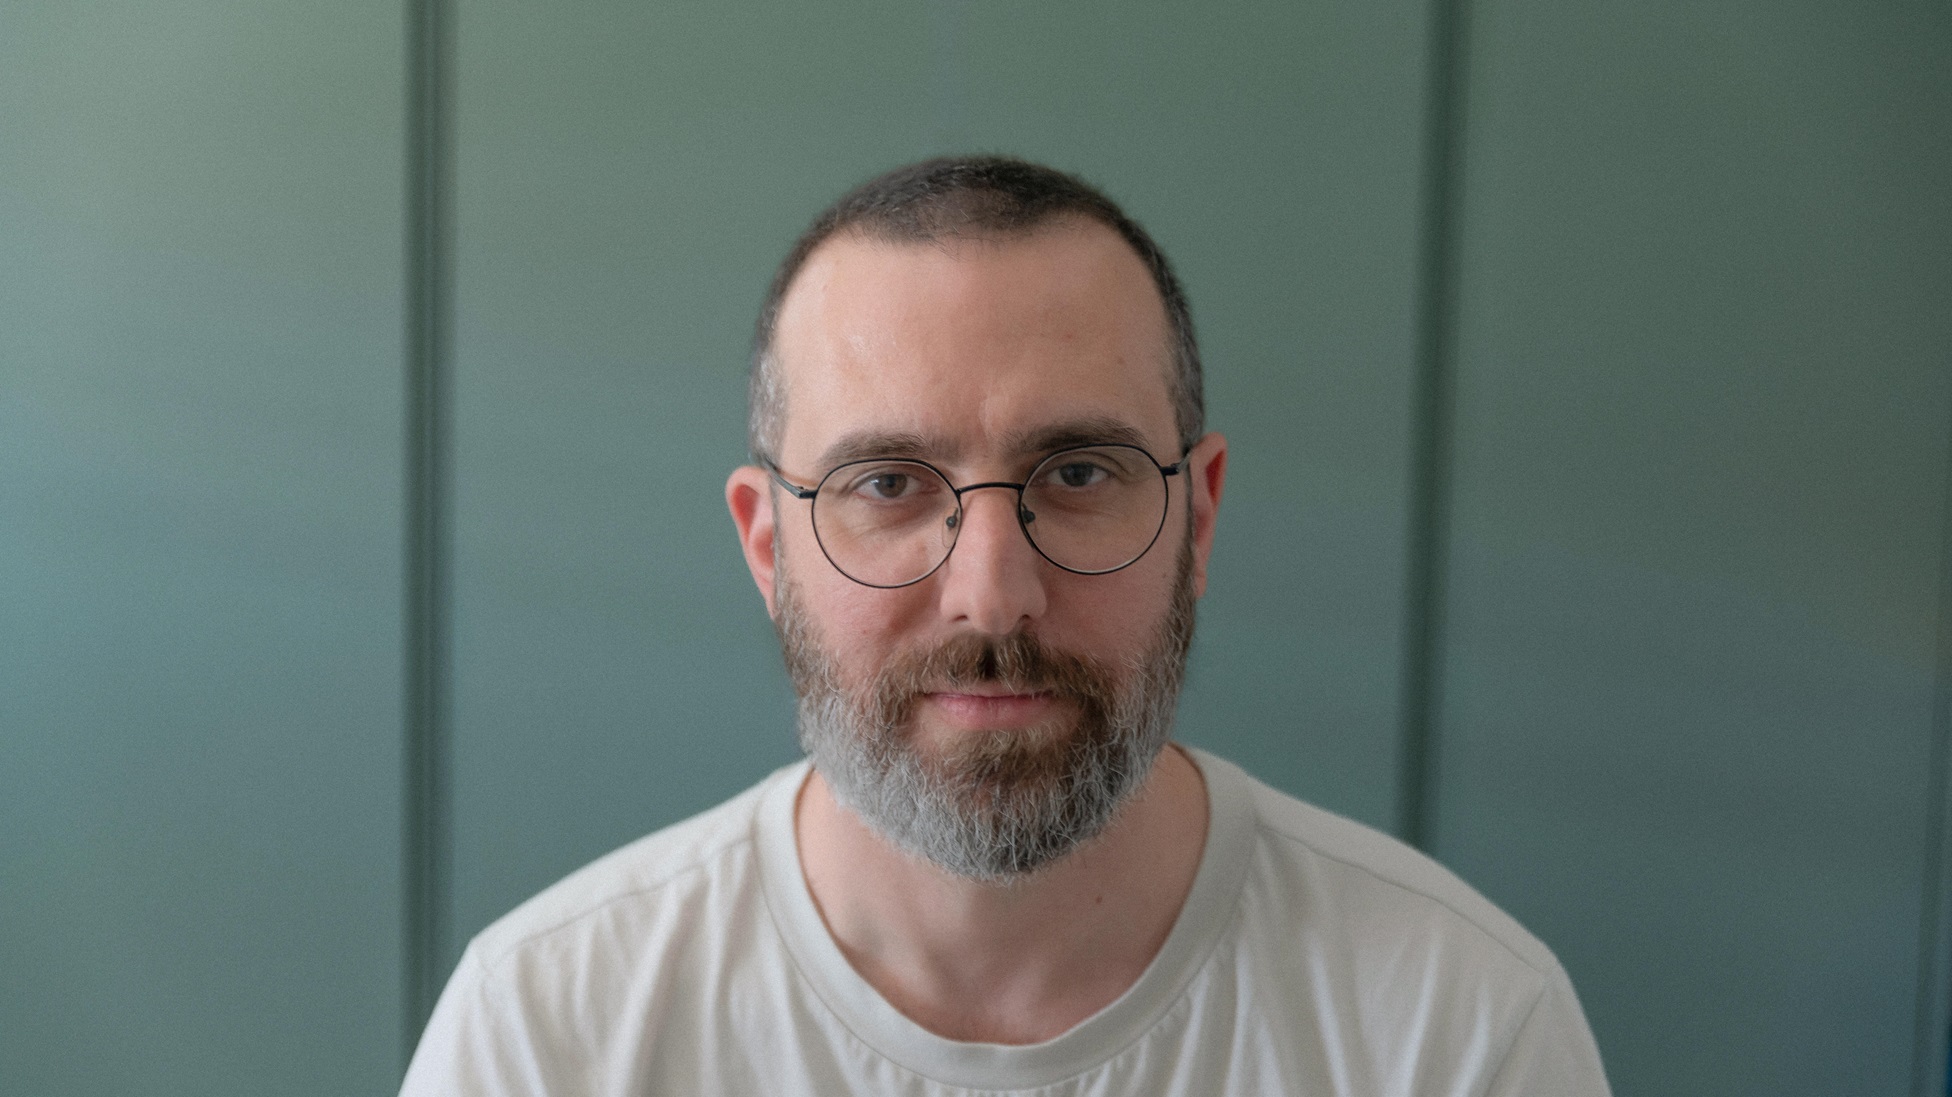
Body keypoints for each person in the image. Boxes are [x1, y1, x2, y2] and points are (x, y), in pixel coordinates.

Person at [400, 156, 1612, 1095]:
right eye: (887, 484)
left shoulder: (1455, 1029)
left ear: (1197, 517)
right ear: (766, 546)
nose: (991, 592)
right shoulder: (544, 1035)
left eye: (1077, 473)